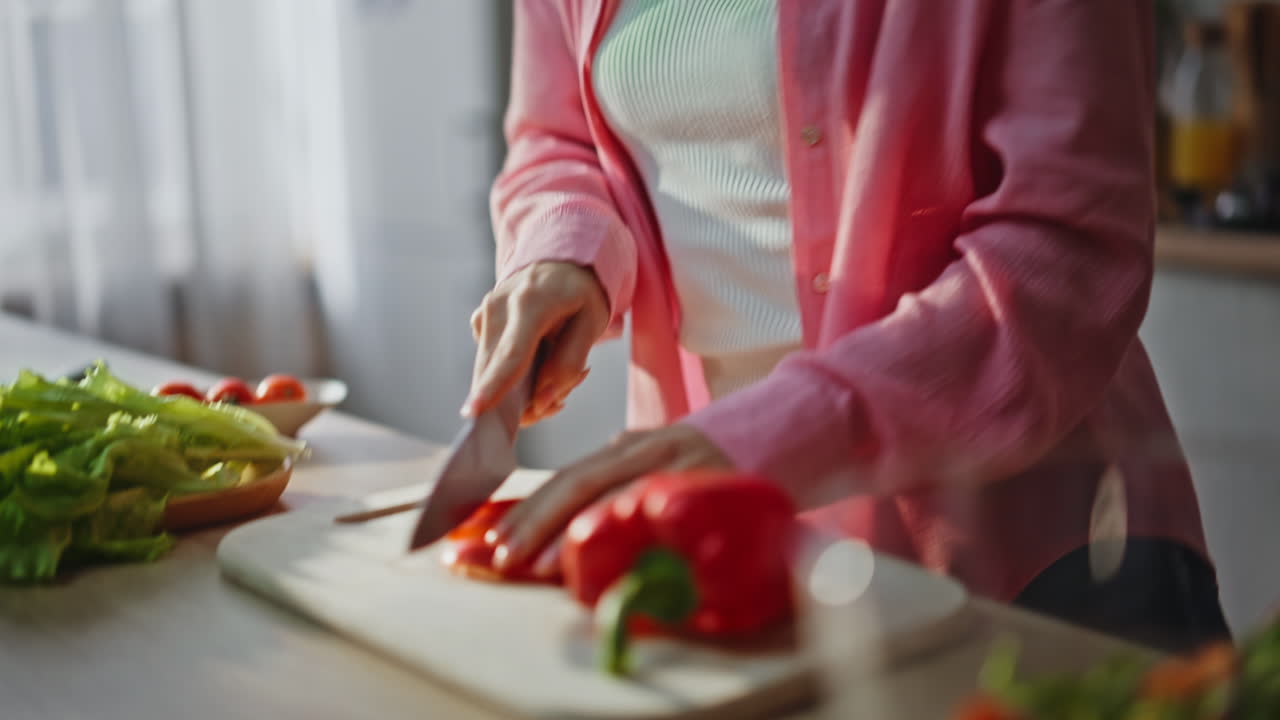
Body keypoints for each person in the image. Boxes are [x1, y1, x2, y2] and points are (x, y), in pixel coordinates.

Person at [464, 0, 1231, 651]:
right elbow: (555, 138)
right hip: (724, 535)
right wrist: (565, 251)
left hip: (1026, 552)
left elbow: (1065, 256)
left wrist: (763, 437)